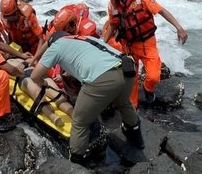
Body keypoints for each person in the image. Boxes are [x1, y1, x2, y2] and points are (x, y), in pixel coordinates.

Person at [29, 32, 144, 165]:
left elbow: (34, 76)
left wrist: (43, 83)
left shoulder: (56, 46)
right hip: (127, 69)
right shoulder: (86, 38)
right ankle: (137, 142)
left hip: (104, 78)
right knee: (124, 103)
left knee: (80, 121)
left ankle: (77, 161)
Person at [102, 0, 188, 107]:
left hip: (147, 43)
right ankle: (133, 107)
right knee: (131, 78)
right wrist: (102, 43)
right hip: (128, 46)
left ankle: (148, 89)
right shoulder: (112, 5)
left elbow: (162, 11)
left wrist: (179, 28)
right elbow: (112, 25)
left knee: (154, 76)